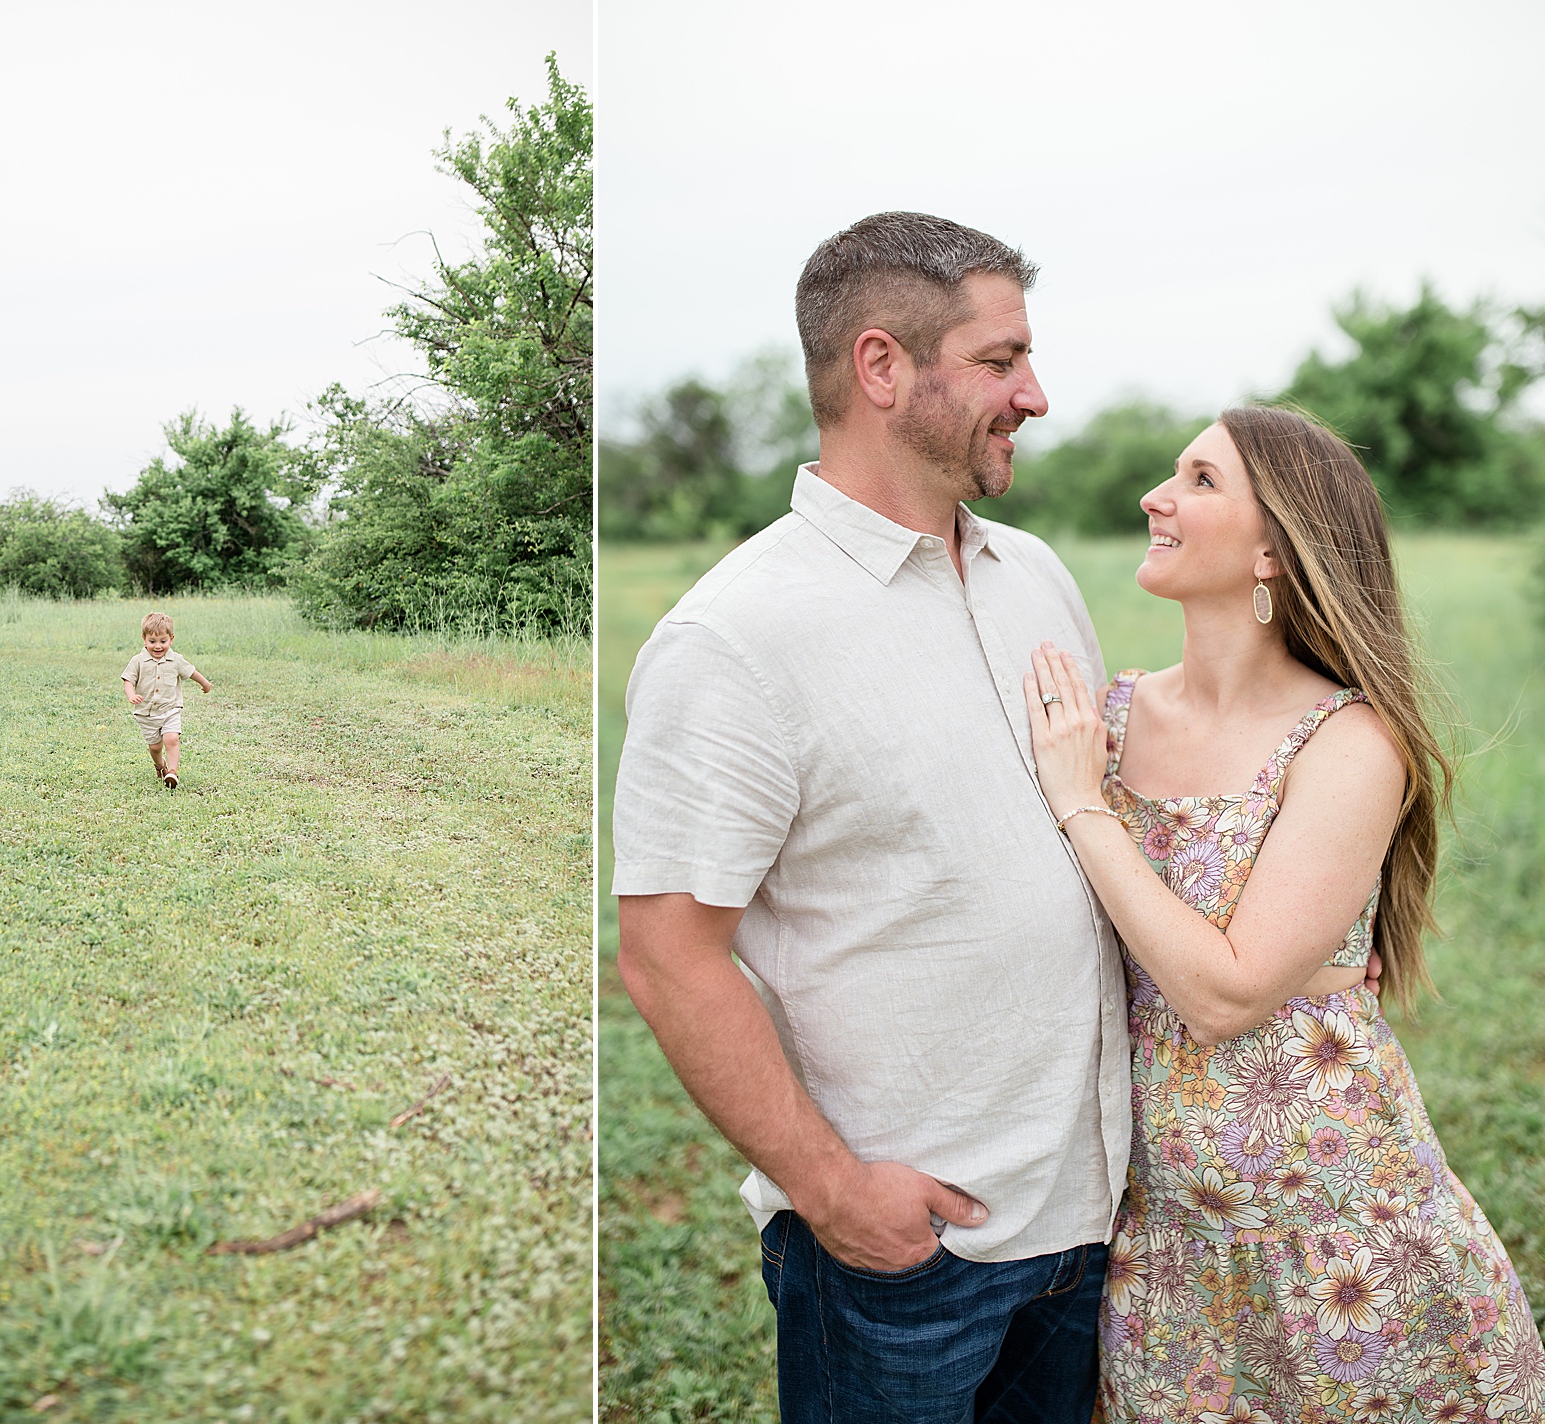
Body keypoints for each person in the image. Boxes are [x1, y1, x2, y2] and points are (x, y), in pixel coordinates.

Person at [612, 212, 1127, 1421]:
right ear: (883, 367)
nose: (1036, 393)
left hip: (1090, 1222)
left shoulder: (1036, 573)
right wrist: (837, 1194)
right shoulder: (733, 638)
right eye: (1001, 361)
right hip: (907, 1256)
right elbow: (667, 955)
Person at [1023, 406, 1544, 1420]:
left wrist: (1081, 806)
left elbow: (1226, 993)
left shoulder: (1345, 740)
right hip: (1168, 1233)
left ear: (1273, 548)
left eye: (1200, 480)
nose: (1154, 498)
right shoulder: (1108, 717)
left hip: (1336, 1231)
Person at [122, 611, 211, 788]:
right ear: (144, 639)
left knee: (171, 739)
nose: (157, 646)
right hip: (146, 713)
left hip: (170, 709)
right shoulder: (138, 661)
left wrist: (205, 683)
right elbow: (128, 680)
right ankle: (159, 765)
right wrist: (131, 695)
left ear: (171, 639)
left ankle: (172, 772)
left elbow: (190, 671)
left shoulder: (176, 660)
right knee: (155, 747)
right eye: (152, 641)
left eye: (163, 641)